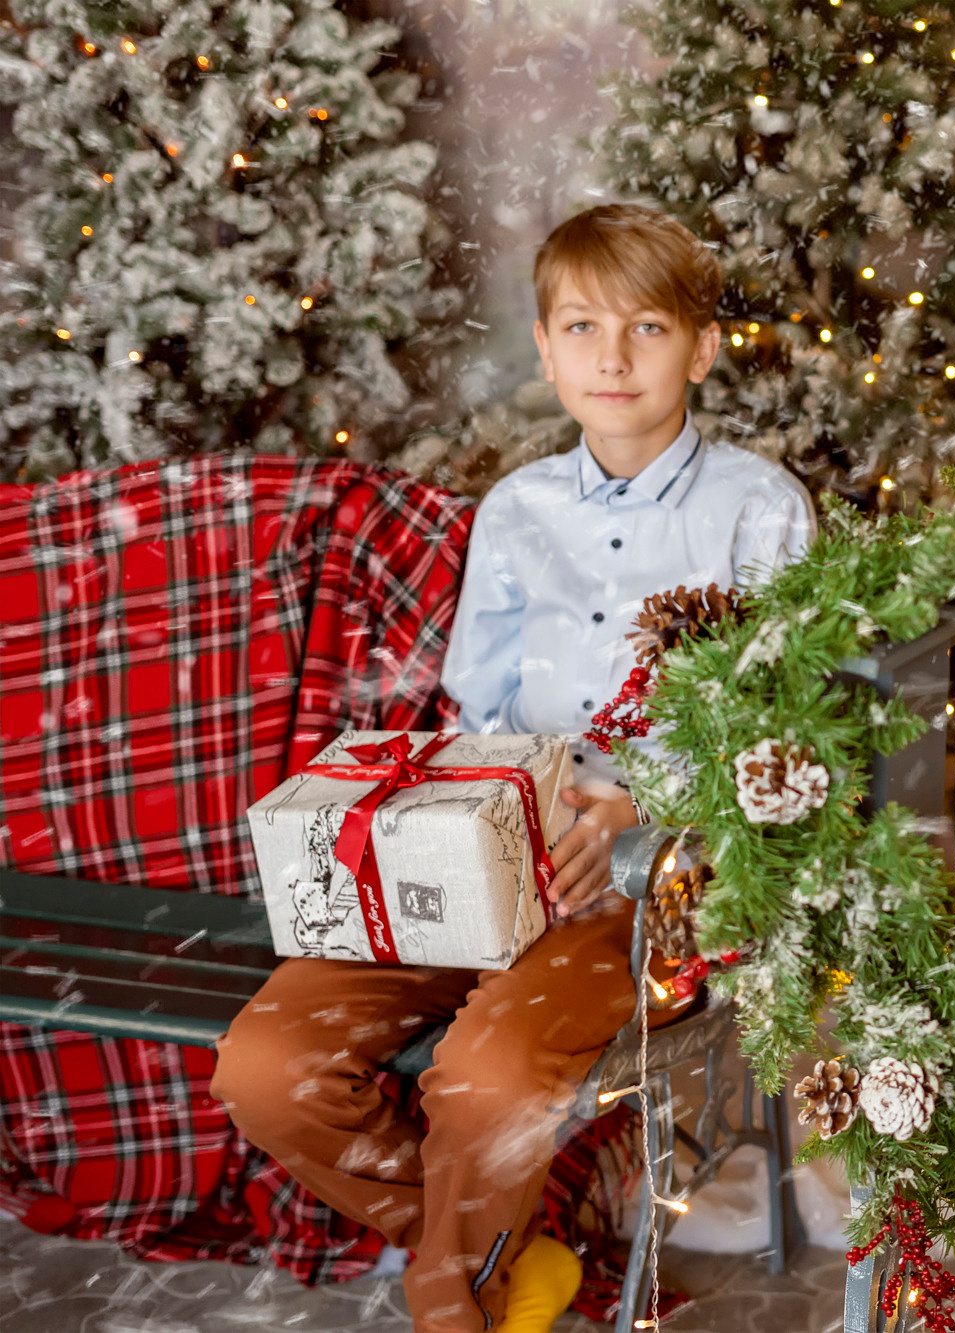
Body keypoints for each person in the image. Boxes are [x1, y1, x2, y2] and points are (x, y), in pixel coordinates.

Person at [213, 204, 815, 1333]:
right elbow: (473, 710)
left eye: (646, 327)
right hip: (488, 857)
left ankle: (455, 1309)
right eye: (582, 327)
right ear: (543, 348)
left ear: (702, 344)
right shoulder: (515, 511)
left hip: (650, 887)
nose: (612, 357)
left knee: (483, 1083)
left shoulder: (758, 513)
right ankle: (515, 1258)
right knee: (266, 1063)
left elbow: (784, 733)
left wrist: (641, 801)